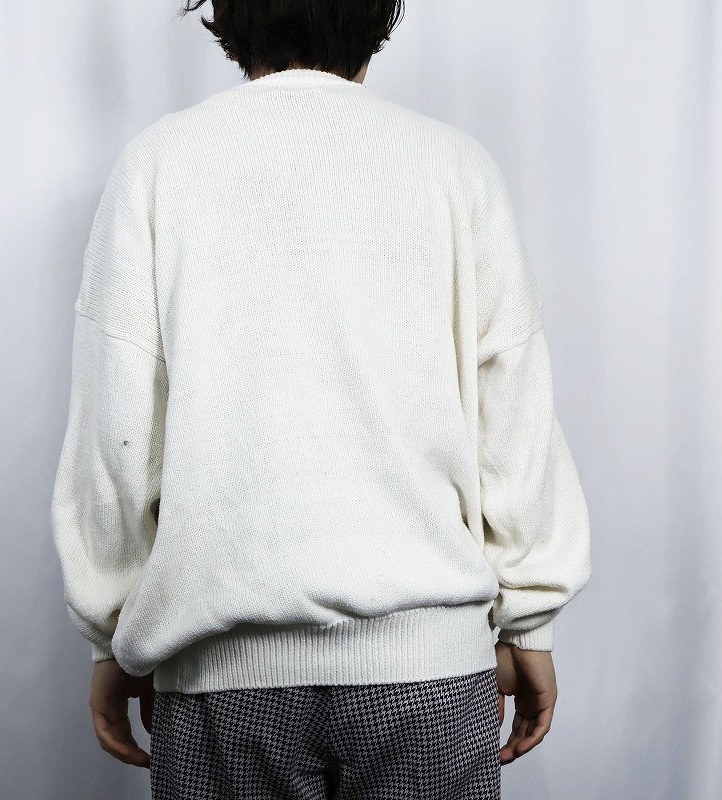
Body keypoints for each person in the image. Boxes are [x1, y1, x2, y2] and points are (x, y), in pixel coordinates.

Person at [50, 1, 591, 797]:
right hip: (428, 677)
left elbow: (116, 431)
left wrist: (111, 633)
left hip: (222, 681)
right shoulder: (454, 167)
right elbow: (513, 412)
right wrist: (532, 620)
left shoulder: (159, 166)